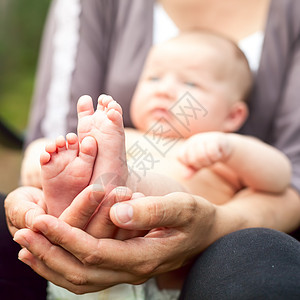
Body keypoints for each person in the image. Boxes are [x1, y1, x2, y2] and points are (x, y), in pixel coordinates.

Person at [3, 0, 300, 299]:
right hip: (85, 257)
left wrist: (230, 148)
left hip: (184, 268)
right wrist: (42, 154)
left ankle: (124, 184)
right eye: (154, 78)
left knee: (164, 193)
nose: (165, 89)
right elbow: (47, 140)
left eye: (190, 83)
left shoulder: (221, 151)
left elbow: (280, 177)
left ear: (233, 116)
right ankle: (74, 193)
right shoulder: (124, 135)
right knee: (89, 168)